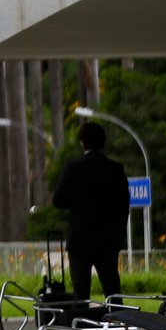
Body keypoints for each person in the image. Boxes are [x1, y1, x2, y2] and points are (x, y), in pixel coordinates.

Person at [53, 121, 131, 302]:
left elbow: (58, 200)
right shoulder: (115, 169)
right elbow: (123, 205)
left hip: (80, 240)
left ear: (82, 143)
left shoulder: (73, 167)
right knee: (112, 290)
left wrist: (78, 203)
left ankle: (80, 328)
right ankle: (116, 328)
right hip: (108, 241)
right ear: (103, 142)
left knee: (80, 292)